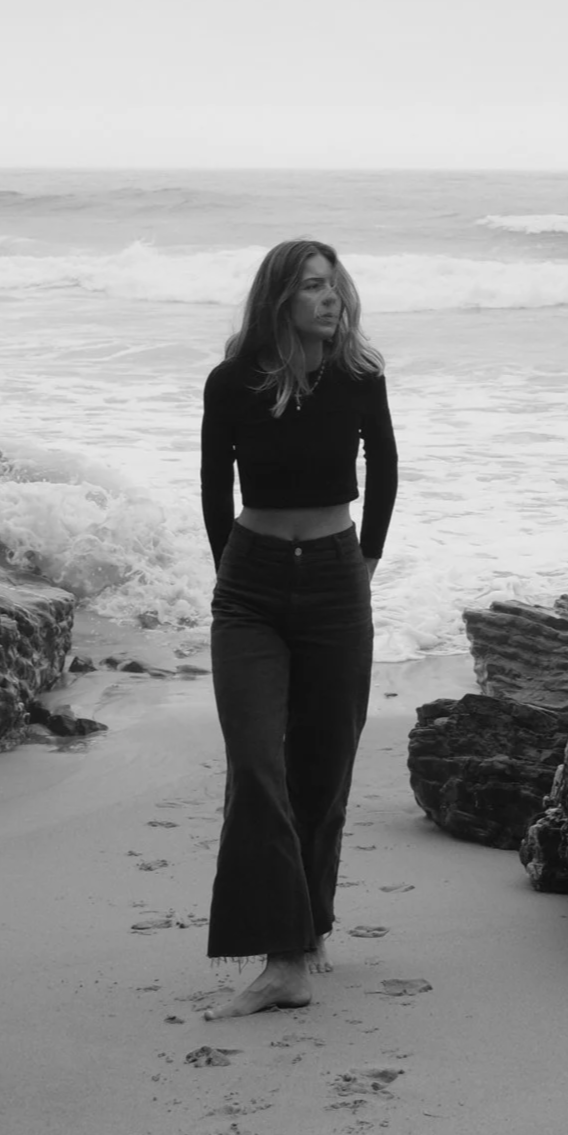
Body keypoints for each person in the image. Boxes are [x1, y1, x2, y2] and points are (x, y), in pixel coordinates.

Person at [198, 238, 398, 1021]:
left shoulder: (359, 377)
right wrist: (229, 571)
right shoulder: (232, 382)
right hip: (248, 586)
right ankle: (285, 958)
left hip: (336, 579)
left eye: (335, 285)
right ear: (279, 298)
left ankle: (304, 932)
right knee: (256, 764)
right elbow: (215, 484)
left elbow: (384, 468)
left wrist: (366, 561)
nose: (330, 299)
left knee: (323, 772)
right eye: (312, 287)